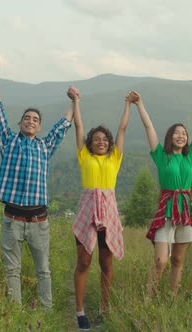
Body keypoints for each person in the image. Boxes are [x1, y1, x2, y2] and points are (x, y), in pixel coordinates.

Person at [0, 57, 73, 308]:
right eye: (27, 118)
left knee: (43, 270)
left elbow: (64, 125)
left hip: (38, 222)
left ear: (39, 125)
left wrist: (74, 101)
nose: (31, 120)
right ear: (20, 123)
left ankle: (46, 313)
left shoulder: (45, 147)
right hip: (12, 220)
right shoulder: (8, 141)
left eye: (35, 119)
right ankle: (16, 313)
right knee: (12, 270)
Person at [131, 90, 192, 297]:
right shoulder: (162, 157)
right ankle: (148, 297)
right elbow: (149, 127)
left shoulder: (191, 157)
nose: (181, 136)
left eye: (184, 134)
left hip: (186, 211)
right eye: (177, 133)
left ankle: (173, 298)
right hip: (166, 210)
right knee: (160, 260)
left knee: (178, 260)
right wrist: (139, 104)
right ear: (170, 137)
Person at [70, 86, 128, 330]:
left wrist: (128, 105)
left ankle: (104, 308)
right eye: (97, 140)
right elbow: (79, 128)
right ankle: (80, 312)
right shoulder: (85, 157)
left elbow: (122, 129)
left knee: (106, 264)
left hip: (109, 214)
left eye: (105, 140)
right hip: (87, 212)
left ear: (109, 144)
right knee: (84, 262)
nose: (101, 142)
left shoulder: (115, 158)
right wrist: (76, 101)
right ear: (90, 144)